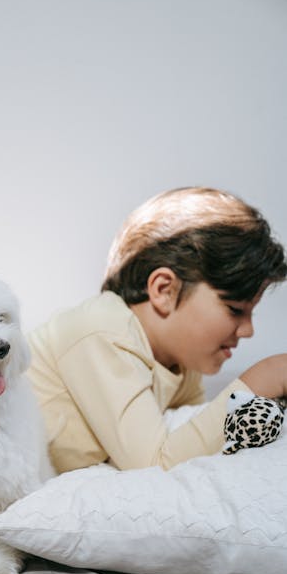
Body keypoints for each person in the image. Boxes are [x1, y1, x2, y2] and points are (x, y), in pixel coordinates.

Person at [27, 187, 287, 474]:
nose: (248, 330)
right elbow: (154, 466)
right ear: (164, 290)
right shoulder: (103, 330)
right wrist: (263, 379)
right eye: (235, 309)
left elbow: (196, 445)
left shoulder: (181, 363)